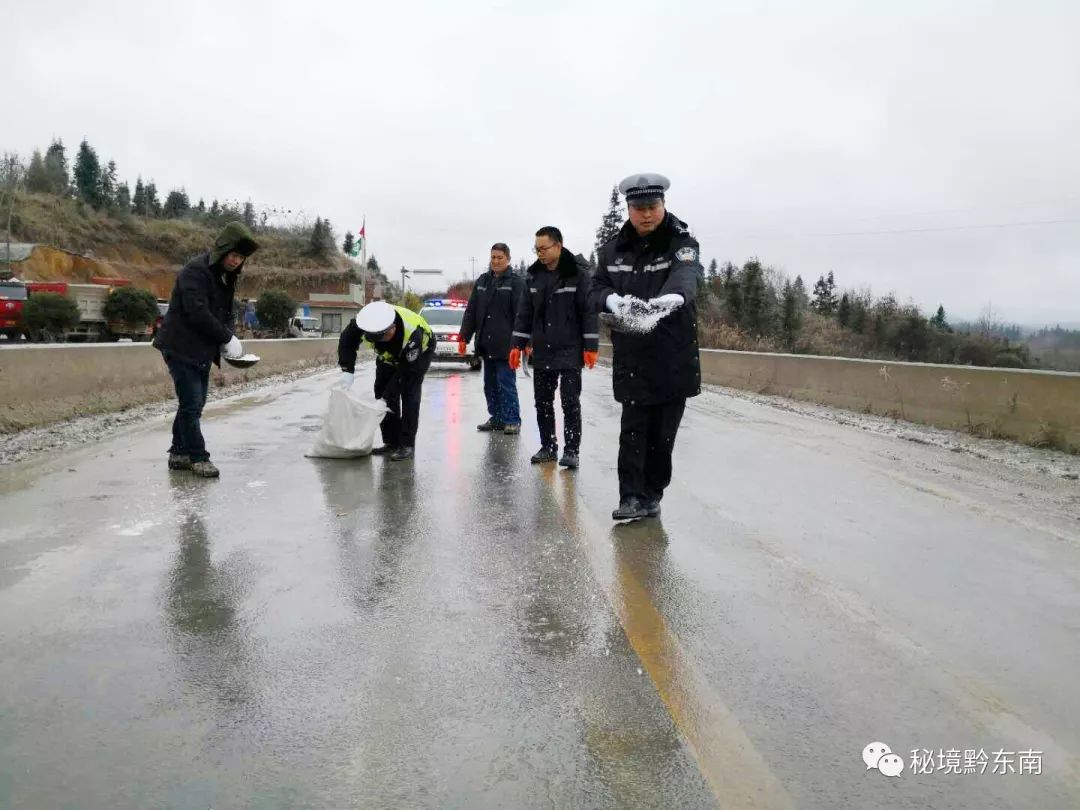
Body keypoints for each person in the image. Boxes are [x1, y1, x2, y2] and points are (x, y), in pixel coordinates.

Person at [589, 174, 703, 520]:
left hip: (672, 356)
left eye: (652, 207)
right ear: (629, 209)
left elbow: (688, 274)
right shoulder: (612, 250)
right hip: (633, 355)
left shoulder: (681, 243)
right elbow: (594, 288)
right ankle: (630, 498)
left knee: (661, 436)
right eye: (639, 208)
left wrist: (672, 298)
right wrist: (612, 300)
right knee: (633, 432)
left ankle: (652, 494)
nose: (647, 215)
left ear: (663, 205)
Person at [153, 221, 259, 478]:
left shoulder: (225, 278)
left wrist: (227, 338)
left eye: (241, 257)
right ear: (222, 251)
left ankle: (179, 452)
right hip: (179, 346)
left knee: (195, 403)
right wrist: (225, 336)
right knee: (191, 403)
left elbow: (223, 313)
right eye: (233, 255)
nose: (236, 261)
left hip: (200, 349)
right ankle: (199, 457)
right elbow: (197, 312)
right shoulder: (195, 272)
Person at [511, 226, 599, 469]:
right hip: (542, 349)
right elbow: (524, 314)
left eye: (544, 248)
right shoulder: (533, 277)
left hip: (570, 348)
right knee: (543, 402)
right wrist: (517, 344)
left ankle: (572, 450)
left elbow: (588, 312)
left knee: (570, 402)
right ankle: (548, 446)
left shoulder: (578, 275)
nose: (539, 253)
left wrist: (590, 344)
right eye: (536, 248)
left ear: (558, 246)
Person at [337, 300, 435, 461]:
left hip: (418, 354)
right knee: (381, 392)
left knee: (409, 394)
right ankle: (391, 442)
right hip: (388, 356)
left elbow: (406, 373)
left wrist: (389, 394)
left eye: (384, 338)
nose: (381, 341)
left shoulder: (412, 333)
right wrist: (347, 370)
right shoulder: (364, 321)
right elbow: (347, 341)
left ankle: (406, 445)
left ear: (392, 327)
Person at [460, 242, 526, 435]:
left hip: (507, 344)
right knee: (490, 384)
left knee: (506, 383)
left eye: (500, 258)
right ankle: (496, 417)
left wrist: (523, 343)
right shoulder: (483, 281)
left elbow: (522, 315)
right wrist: (464, 335)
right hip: (486, 343)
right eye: (493, 257)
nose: (496, 261)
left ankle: (512, 419)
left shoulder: (515, 282)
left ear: (508, 259)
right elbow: (471, 310)